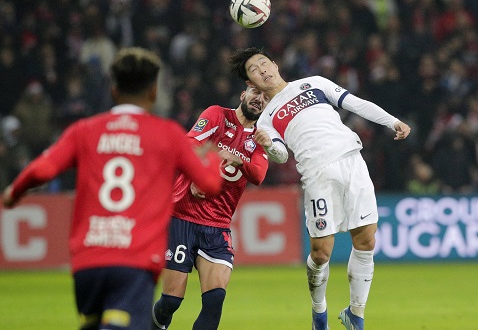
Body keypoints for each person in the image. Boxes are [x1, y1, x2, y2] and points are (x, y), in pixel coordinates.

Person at [2, 47, 224, 330]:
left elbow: (42, 170)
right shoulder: (167, 134)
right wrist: (213, 157)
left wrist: (13, 193)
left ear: (114, 89)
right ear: (153, 92)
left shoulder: (84, 130)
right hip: (134, 260)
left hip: (88, 261)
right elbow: (209, 185)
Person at [229, 47, 411, 330]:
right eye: (254, 69)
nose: (263, 69)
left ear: (275, 64)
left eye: (264, 63)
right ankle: (319, 312)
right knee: (321, 253)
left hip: (352, 160)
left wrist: (392, 121)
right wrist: (267, 144)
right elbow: (281, 155)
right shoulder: (265, 119)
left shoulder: (314, 83)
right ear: (250, 83)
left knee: (366, 241)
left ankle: (356, 314)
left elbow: (356, 103)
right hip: (317, 174)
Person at [151, 85, 270, 330]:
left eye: (266, 97)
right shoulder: (217, 115)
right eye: (255, 93)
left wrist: (240, 160)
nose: (259, 99)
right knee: (171, 301)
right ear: (243, 94)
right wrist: (199, 174)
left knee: (215, 299)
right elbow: (188, 143)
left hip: (217, 225)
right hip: (182, 216)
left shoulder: (261, 138)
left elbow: (258, 174)